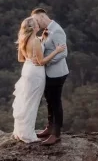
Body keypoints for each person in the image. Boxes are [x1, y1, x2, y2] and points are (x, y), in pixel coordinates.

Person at [12, 16, 66, 143]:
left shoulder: (23, 39)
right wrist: (56, 51)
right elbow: (42, 61)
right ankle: (28, 134)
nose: (39, 24)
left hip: (27, 69)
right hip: (36, 72)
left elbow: (21, 59)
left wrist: (30, 59)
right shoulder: (35, 41)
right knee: (32, 102)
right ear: (34, 27)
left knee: (25, 100)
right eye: (36, 23)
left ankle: (21, 131)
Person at [30, 8, 69, 146]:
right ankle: (49, 127)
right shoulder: (46, 31)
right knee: (49, 101)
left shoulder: (57, 30)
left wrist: (46, 61)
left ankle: (56, 134)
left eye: (36, 20)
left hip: (57, 73)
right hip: (47, 73)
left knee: (56, 102)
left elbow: (63, 53)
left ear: (41, 17)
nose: (36, 24)